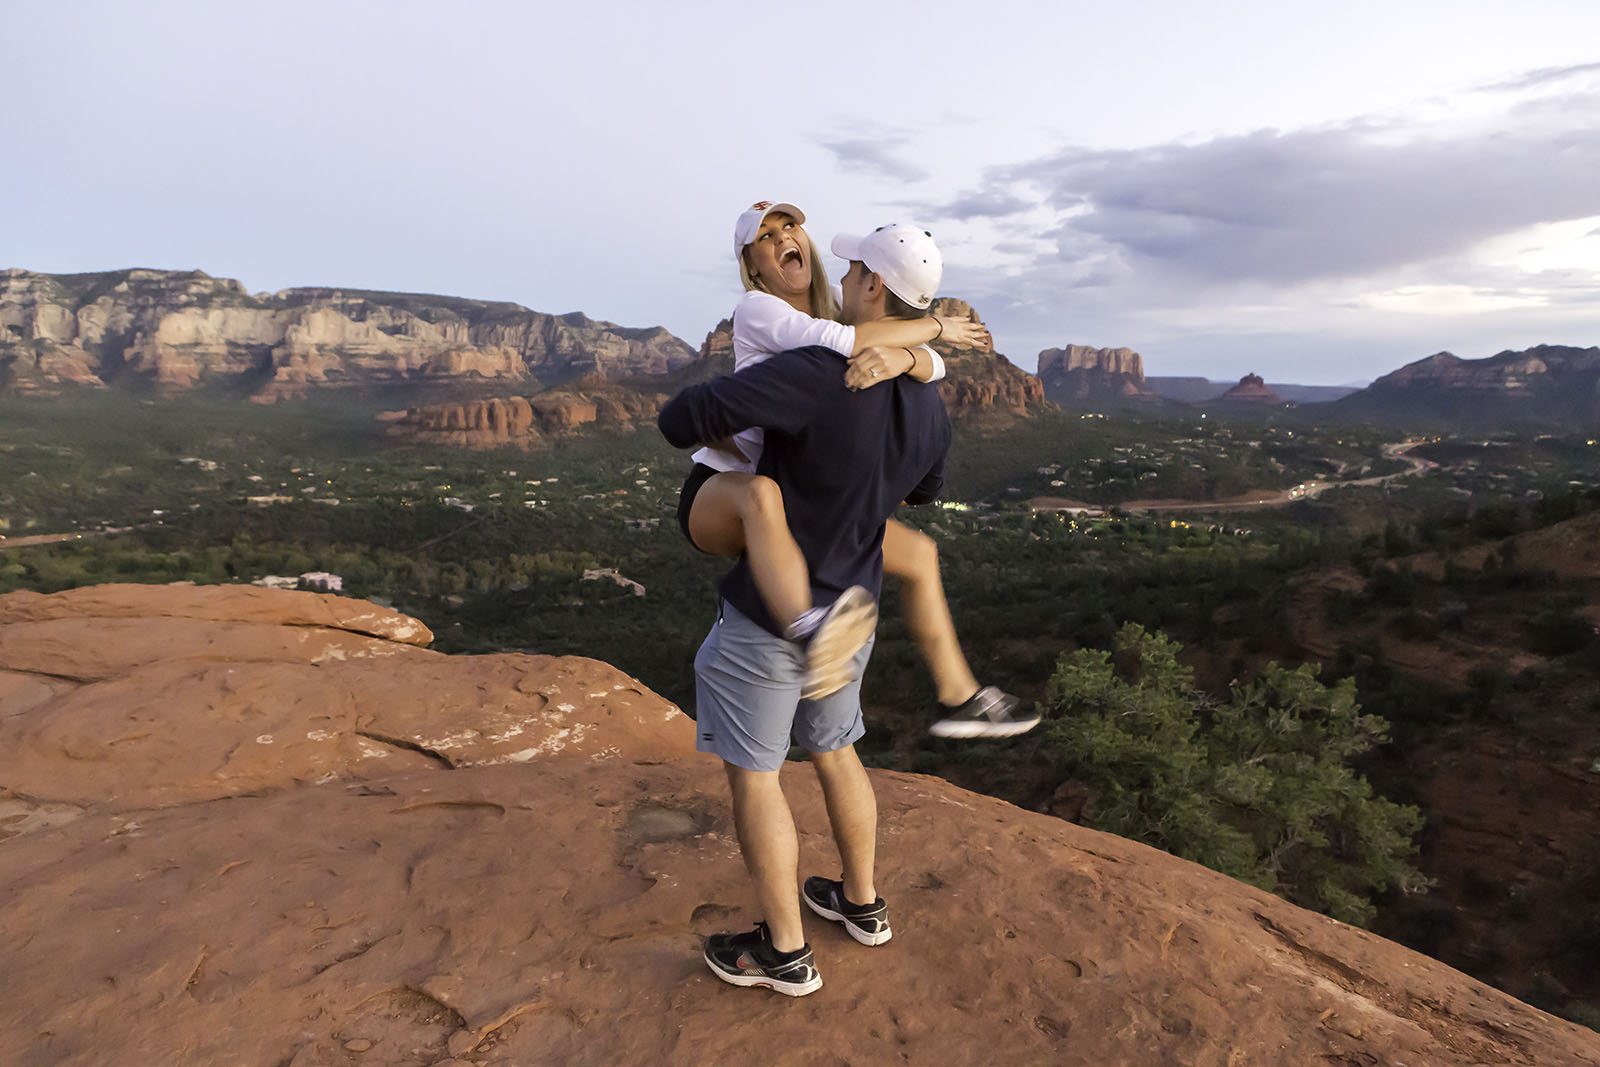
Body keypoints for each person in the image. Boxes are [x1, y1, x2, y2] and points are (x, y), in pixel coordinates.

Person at [659, 221, 956, 996]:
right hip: (853, 599)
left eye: (856, 266)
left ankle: (784, 950)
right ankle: (862, 902)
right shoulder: (931, 405)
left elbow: (681, 419)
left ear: (871, 287)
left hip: (774, 611)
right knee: (835, 748)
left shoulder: (821, 371)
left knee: (757, 776)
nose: (845, 271)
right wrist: (921, 355)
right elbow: (920, 491)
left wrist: (748, 438)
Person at [677, 200, 1039, 737]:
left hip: (797, 503)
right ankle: (808, 632)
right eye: (767, 237)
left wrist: (910, 358)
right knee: (761, 496)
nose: (783, 239)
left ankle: (962, 696)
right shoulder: (758, 310)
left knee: (919, 555)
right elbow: (849, 344)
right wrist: (934, 331)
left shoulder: (830, 312)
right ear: (753, 265)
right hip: (722, 495)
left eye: (790, 227)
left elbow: (887, 343)